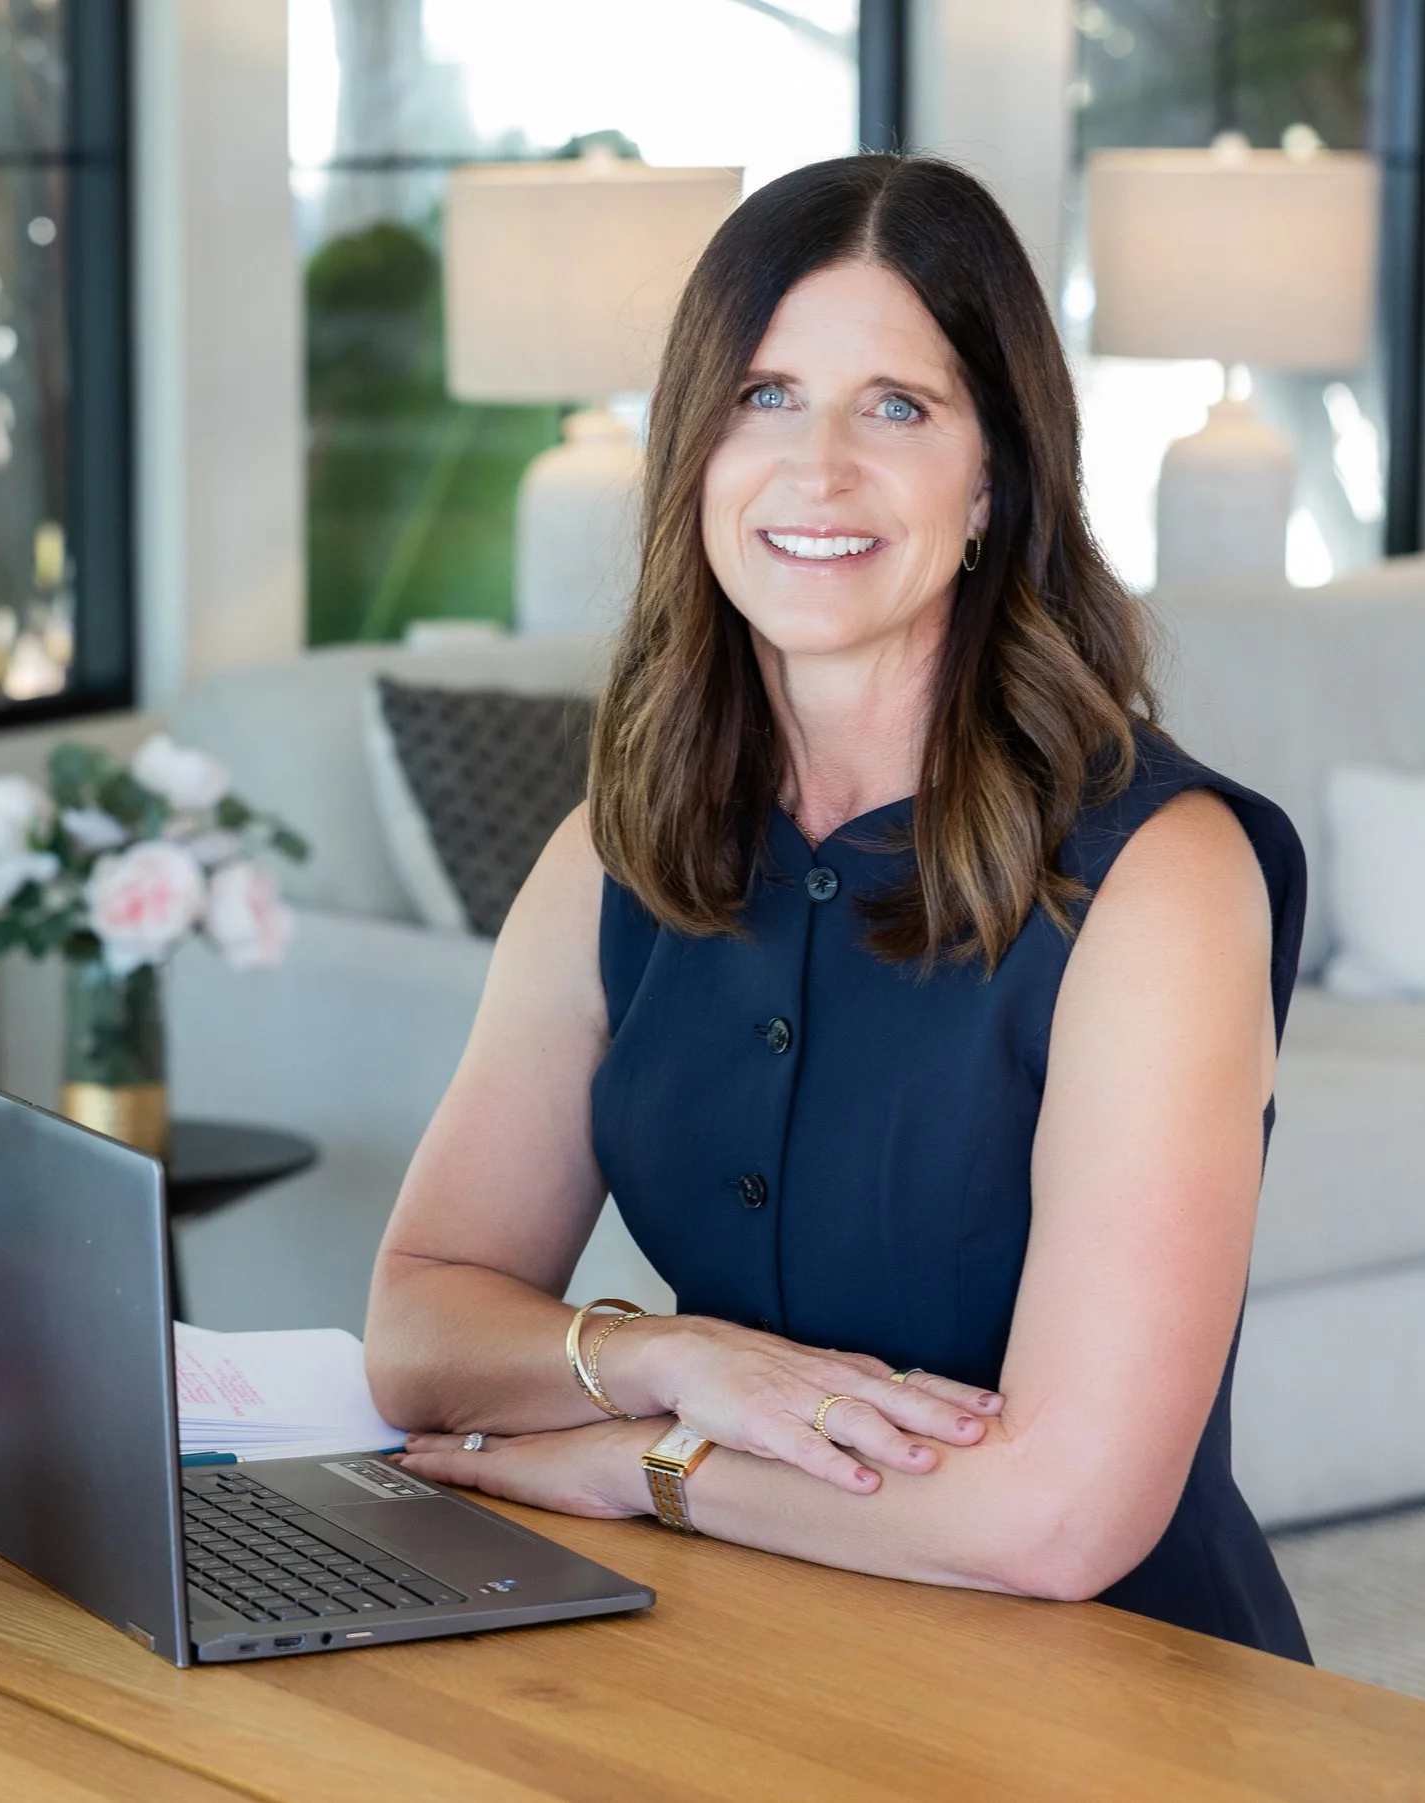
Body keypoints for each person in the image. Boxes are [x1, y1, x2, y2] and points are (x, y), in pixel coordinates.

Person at [364, 153, 1310, 1659]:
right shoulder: (616, 850)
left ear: (994, 475)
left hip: (1105, 1689)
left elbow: (1061, 1517)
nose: (817, 469)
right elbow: (417, 1333)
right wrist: (678, 1361)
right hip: (731, 1653)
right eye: (762, 395)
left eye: (898, 406)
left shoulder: (1163, 875)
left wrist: (642, 1460)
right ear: (694, 448)